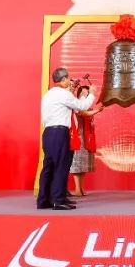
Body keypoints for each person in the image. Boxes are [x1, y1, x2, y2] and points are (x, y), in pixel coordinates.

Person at [37, 67, 96, 210]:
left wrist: (73, 91)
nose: (70, 80)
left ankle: (43, 200)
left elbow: (73, 106)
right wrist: (92, 94)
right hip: (59, 133)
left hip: (48, 133)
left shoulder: (49, 94)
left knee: (48, 167)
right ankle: (59, 200)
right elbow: (81, 106)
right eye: (68, 78)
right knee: (61, 167)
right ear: (63, 79)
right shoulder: (63, 94)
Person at [69, 86, 101, 196]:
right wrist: (97, 110)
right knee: (77, 162)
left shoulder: (85, 105)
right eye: (83, 93)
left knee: (83, 163)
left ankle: (81, 187)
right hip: (78, 136)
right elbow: (83, 113)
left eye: (87, 93)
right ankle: (77, 188)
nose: (85, 95)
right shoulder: (76, 103)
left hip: (86, 136)